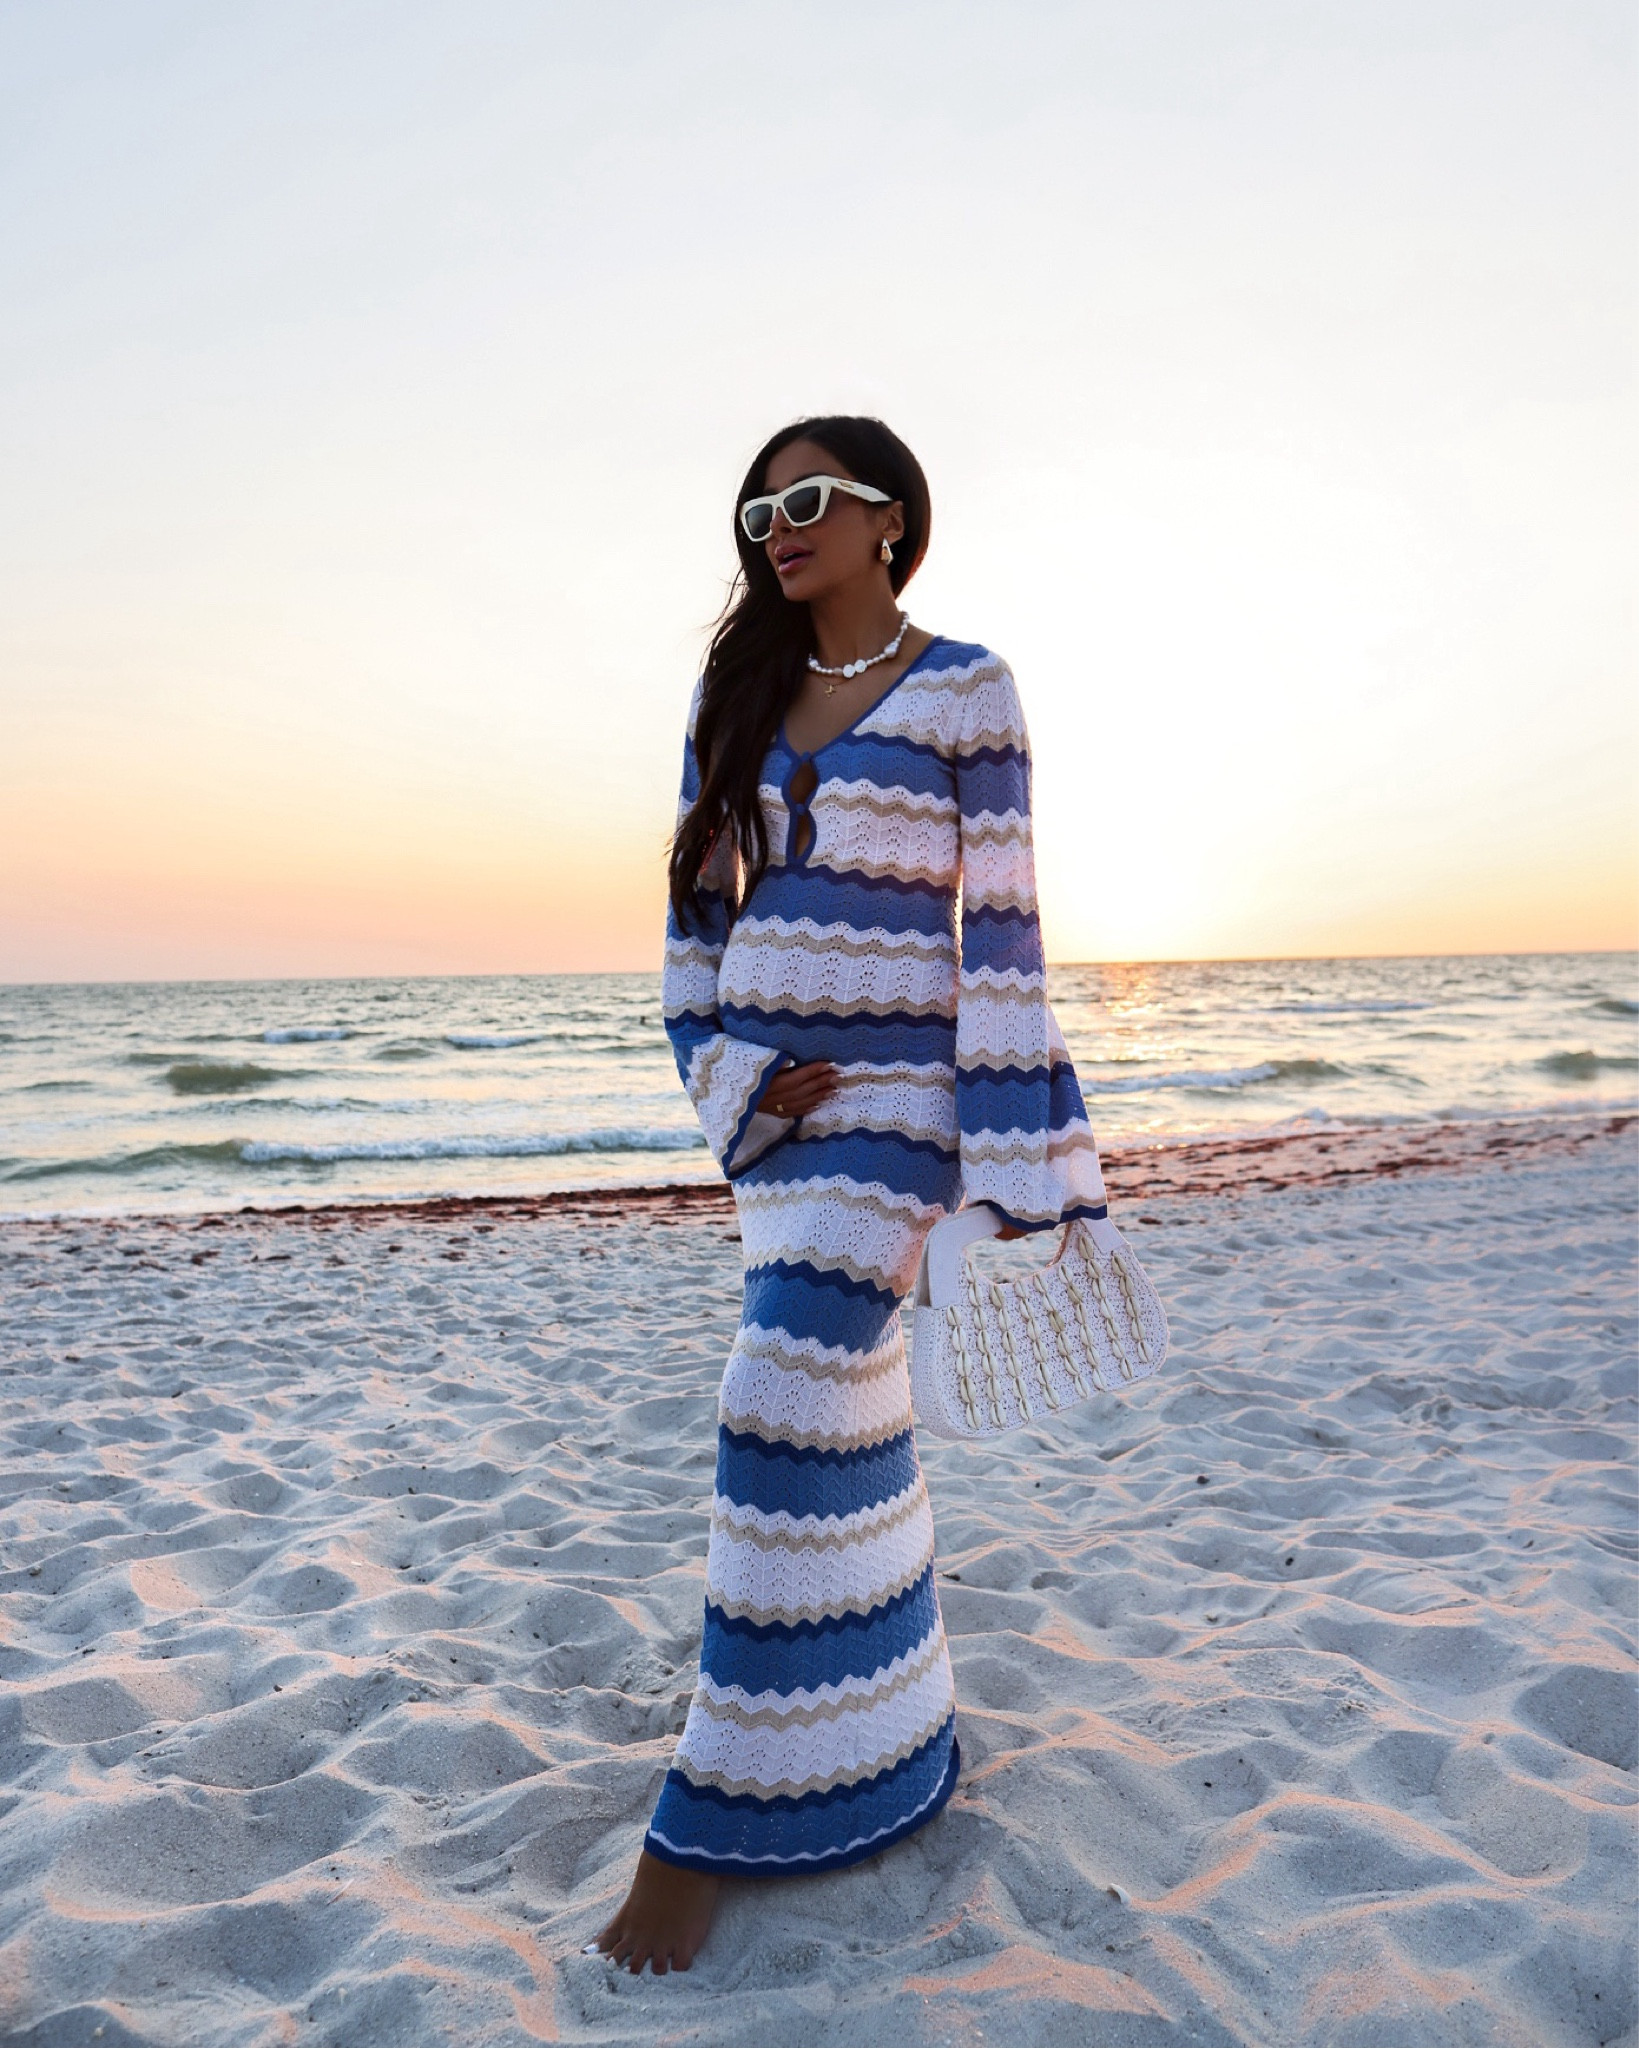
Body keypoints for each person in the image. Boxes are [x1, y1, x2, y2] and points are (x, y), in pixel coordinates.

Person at [591, 415, 1109, 1974]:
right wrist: (736, 1088)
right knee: (847, 1422)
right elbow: (691, 939)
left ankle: (706, 1823)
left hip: (904, 1115)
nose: (777, 525)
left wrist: (1013, 1163)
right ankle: (884, 1745)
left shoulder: (970, 689)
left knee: (776, 1405)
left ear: (894, 520)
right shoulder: (731, 692)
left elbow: (1003, 930)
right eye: (759, 506)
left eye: (808, 499)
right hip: (782, 1129)